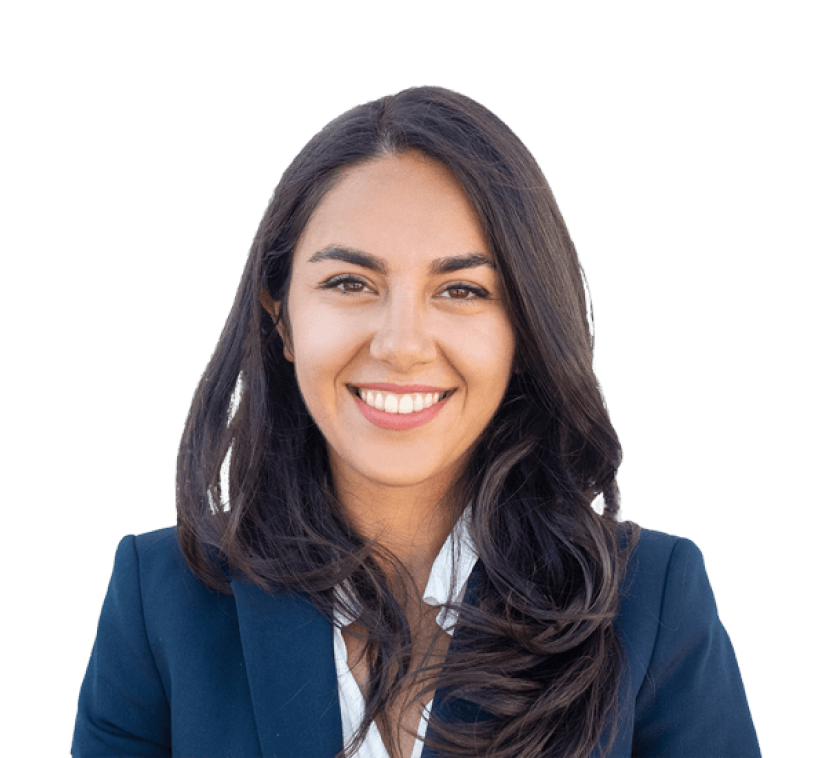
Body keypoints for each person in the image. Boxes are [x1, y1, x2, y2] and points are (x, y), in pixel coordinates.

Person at [70, 85, 761, 758]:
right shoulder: (161, 601)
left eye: (461, 290)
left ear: (523, 328)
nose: (401, 344)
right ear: (281, 315)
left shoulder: (652, 601)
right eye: (349, 283)